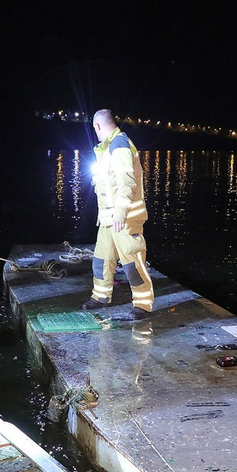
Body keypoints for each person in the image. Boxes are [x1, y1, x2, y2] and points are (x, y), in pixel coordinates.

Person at [82, 109, 154, 320]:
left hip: (125, 218)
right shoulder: (108, 148)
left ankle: (143, 304)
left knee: (132, 263)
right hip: (108, 219)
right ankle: (101, 296)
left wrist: (121, 214)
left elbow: (127, 182)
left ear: (97, 126)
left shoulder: (119, 145)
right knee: (101, 259)